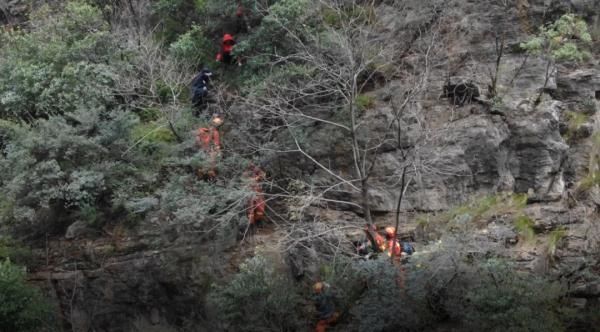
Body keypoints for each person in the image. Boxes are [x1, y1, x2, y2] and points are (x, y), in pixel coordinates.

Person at [195, 115, 223, 179]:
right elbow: (216, 145)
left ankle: (208, 177)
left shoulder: (213, 132)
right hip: (205, 151)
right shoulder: (202, 130)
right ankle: (205, 177)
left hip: (205, 151)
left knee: (208, 166)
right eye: (215, 124)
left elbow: (216, 144)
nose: (214, 126)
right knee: (207, 166)